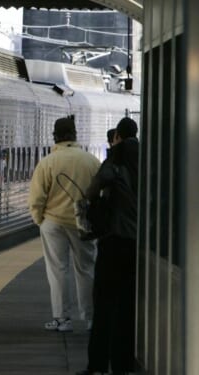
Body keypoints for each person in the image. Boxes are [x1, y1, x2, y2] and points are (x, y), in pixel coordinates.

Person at [77, 117, 139, 375]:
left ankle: (98, 366)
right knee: (128, 306)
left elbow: (91, 192)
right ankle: (123, 364)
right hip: (138, 246)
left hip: (114, 241)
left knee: (104, 305)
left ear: (117, 138)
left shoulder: (114, 162)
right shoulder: (150, 159)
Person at [28, 117, 101, 332]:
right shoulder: (91, 161)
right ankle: (90, 319)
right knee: (86, 269)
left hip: (54, 222)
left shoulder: (48, 162)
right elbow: (100, 193)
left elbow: (36, 198)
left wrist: (39, 219)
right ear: (75, 134)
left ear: (55, 136)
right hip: (83, 224)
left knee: (58, 270)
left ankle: (62, 319)